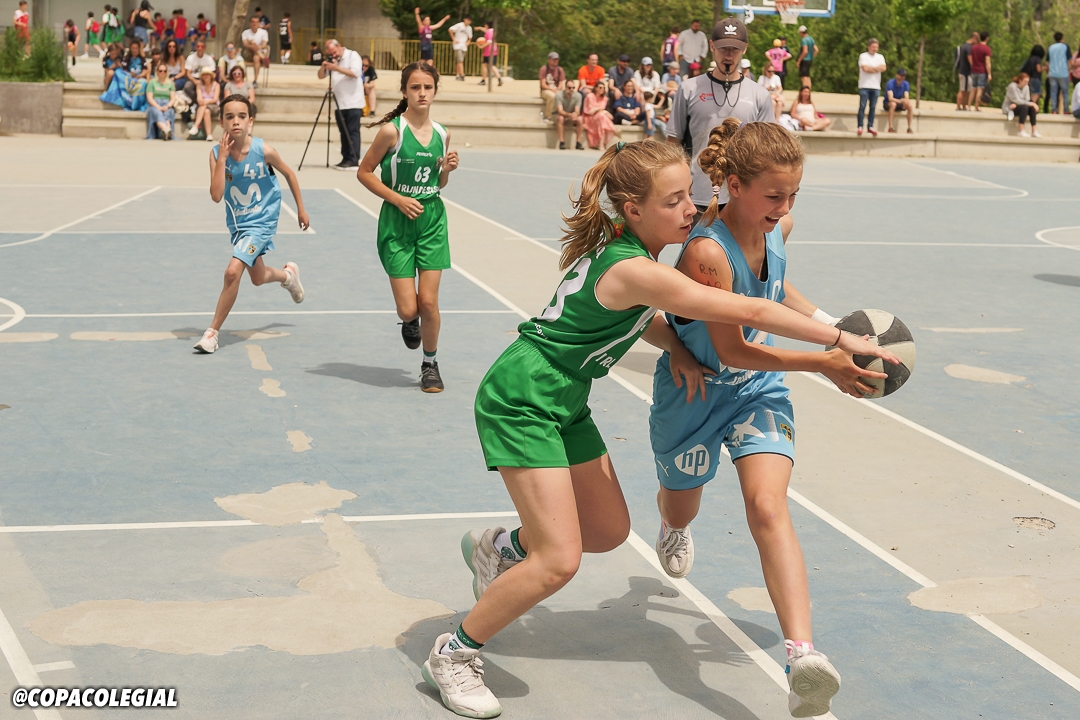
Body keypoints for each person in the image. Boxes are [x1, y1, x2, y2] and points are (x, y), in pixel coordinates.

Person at [443, 140, 898, 720]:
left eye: (690, 194)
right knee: (560, 560)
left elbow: (636, 312)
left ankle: (501, 548)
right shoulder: (636, 266)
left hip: (564, 397)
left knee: (607, 531)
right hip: (523, 397)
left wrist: (677, 346)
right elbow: (749, 311)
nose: (691, 209)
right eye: (674, 200)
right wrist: (837, 340)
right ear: (634, 209)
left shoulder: (636, 252)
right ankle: (456, 653)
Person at [648, 118, 876, 719]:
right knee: (682, 505)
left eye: (794, 194)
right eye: (774, 195)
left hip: (758, 392)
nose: (785, 208)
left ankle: (803, 657)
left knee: (768, 507)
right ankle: (672, 523)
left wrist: (831, 322)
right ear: (734, 185)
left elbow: (775, 286)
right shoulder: (706, 253)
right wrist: (824, 360)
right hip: (696, 393)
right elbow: (732, 349)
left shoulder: (779, 228)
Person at [358, 62, 459, 393]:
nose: (422, 93)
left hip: (431, 220)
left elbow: (438, 183)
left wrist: (446, 171)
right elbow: (364, 172)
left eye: (428, 87)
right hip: (397, 222)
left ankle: (430, 364)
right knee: (408, 308)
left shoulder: (442, 134)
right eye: (415, 87)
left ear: (435, 90)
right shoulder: (392, 132)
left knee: (428, 302)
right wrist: (397, 199)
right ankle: (409, 320)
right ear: (404, 91)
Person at [194, 95, 309, 355]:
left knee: (232, 272)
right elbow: (216, 195)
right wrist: (222, 159)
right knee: (258, 278)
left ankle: (212, 333)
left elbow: (289, 174)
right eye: (230, 117)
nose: (236, 121)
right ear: (221, 122)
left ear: (251, 121)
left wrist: (301, 209)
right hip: (239, 224)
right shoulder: (216, 154)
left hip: (263, 220)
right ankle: (288, 276)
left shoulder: (263, 150)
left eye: (241, 116)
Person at [667, 17, 774, 213]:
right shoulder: (688, 89)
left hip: (743, 197)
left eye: (735, 49)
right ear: (712, 46)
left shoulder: (760, 94)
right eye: (723, 48)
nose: (728, 55)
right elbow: (673, 142)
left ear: (745, 48)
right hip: (696, 196)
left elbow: (767, 151)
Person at [318, 39, 364, 170]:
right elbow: (320, 76)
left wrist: (336, 68)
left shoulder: (352, 55)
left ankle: (354, 159)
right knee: (343, 132)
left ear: (339, 46)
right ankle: (345, 158)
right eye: (331, 53)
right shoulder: (334, 61)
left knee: (352, 131)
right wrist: (324, 66)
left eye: (334, 52)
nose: (334, 55)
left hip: (353, 102)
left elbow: (355, 73)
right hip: (339, 103)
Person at [856, 38, 886, 135]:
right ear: (869, 47)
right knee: (862, 106)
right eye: (873, 47)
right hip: (864, 85)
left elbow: (883, 68)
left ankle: (870, 126)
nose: (875, 49)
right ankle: (860, 126)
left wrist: (871, 69)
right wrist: (876, 69)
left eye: (876, 47)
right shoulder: (863, 56)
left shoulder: (880, 57)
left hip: (875, 86)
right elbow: (865, 68)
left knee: (873, 107)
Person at [146, 63, 177, 139]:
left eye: (164, 71)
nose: (162, 72)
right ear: (157, 72)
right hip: (155, 104)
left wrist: (168, 106)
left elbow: (173, 98)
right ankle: (166, 129)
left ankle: (166, 131)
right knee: (156, 112)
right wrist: (158, 107)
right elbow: (150, 98)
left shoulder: (170, 83)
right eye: (160, 71)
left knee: (169, 111)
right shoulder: (152, 82)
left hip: (167, 103)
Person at [1003, 73, 1040, 137]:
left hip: (1018, 105)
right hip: (1010, 107)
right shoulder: (1012, 86)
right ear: (1020, 80)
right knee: (1024, 107)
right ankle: (1021, 130)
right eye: (1025, 81)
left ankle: (1034, 130)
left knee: (1031, 108)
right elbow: (1017, 100)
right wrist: (1032, 104)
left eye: (1027, 81)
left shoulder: (1026, 87)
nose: (1026, 83)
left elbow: (1027, 100)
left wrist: (1031, 104)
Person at [583, 80, 617, 149]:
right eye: (600, 87)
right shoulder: (590, 96)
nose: (602, 89)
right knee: (602, 116)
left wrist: (601, 111)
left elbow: (599, 110)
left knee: (601, 119)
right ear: (595, 88)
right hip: (589, 117)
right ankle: (614, 130)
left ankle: (601, 144)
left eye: (603, 88)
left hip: (600, 118)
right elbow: (591, 111)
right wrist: (604, 112)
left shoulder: (604, 98)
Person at [188, 67, 220, 141]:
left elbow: (215, 99)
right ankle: (209, 135)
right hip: (203, 107)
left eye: (207, 74)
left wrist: (206, 102)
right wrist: (202, 102)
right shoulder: (199, 85)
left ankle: (195, 126)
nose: (206, 76)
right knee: (206, 111)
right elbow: (199, 98)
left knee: (204, 107)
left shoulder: (216, 85)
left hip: (214, 106)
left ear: (211, 76)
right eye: (204, 75)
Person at [182, 40, 215, 104]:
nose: (200, 48)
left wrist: (205, 80)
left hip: (206, 78)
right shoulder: (190, 58)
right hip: (193, 78)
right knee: (187, 87)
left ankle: (205, 101)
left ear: (205, 48)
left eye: (202, 46)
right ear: (195, 47)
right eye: (198, 46)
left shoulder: (209, 59)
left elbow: (212, 73)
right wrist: (195, 81)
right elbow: (188, 73)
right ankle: (197, 102)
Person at [555, 79, 584, 150]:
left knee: (580, 119)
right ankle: (562, 142)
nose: (571, 89)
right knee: (561, 118)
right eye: (569, 88)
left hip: (571, 115)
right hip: (558, 115)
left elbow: (577, 110)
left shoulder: (578, 96)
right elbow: (560, 111)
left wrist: (574, 114)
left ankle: (578, 142)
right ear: (565, 87)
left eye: (573, 88)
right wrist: (570, 115)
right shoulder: (558, 95)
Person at [241, 15, 269, 87]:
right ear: (249, 23)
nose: (254, 24)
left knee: (256, 57)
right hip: (249, 53)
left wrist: (256, 47)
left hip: (259, 53)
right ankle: (263, 58)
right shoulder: (245, 32)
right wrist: (252, 45)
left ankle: (255, 80)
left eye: (256, 22)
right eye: (253, 22)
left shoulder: (263, 32)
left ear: (259, 23)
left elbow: (264, 45)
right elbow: (245, 44)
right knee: (252, 42)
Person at [1047, 33, 1071, 114]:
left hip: (1052, 73)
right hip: (1063, 73)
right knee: (1065, 92)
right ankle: (1066, 110)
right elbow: (1070, 60)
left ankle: (1054, 109)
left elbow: (1047, 62)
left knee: (1053, 92)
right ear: (1062, 38)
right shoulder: (1065, 46)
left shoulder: (1051, 47)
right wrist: (1069, 69)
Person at [884, 68, 913, 133]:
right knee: (893, 104)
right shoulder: (890, 83)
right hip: (888, 103)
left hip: (899, 102)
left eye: (903, 76)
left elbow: (906, 96)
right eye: (901, 75)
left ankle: (909, 127)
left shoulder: (905, 84)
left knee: (910, 106)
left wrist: (905, 101)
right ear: (897, 75)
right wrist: (901, 101)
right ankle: (890, 127)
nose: (902, 77)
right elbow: (890, 98)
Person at [539, 52, 566, 122]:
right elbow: (543, 85)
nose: (555, 61)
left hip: (556, 90)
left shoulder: (560, 70)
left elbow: (561, 84)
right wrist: (552, 90)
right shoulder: (544, 69)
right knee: (552, 96)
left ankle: (564, 115)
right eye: (553, 59)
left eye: (557, 59)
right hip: (546, 90)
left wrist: (557, 90)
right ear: (549, 60)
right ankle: (548, 116)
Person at [954, 31, 977, 110]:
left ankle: (963, 106)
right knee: (962, 90)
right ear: (974, 38)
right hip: (965, 72)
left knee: (966, 90)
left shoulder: (965, 46)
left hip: (964, 72)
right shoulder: (968, 47)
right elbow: (970, 60)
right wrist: (974, 68)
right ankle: (958, 106)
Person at [970, 31, 992, 112]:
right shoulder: (987, 49)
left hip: (974, 70)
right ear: (987, 38)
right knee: (980, 89)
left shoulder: (974, 47)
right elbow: (987, 62)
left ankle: (968, 105)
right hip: (982, 71)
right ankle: (976, 106)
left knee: (973, 89)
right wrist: (989, 73)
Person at [476, 20, 501, 86]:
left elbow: (489, 41)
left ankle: (483, 80)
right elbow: (485, 30)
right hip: (494, 50)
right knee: (492, 65)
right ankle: (499, 78)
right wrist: (479, 28)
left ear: (487, 25)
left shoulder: (489, 32)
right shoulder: (492, 31)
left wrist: (481, 46)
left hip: (488, 51)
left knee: (484, 65)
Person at [447, 15, 472, 80]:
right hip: (458, 45)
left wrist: (468, 42)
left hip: (464, 46)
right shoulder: (459, 25)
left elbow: (470, 37)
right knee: (460, 60)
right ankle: (462, 74)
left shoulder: (469, 28)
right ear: (464, 19)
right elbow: (450, 30)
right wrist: (454, 39)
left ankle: (457, 74)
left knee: (459, 61)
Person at [796, 25, 816, 90]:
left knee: (803, 76)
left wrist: (799, 60)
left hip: (804, 60)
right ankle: (809, 90)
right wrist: (812, 57)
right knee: (807, 76)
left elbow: (805, 51)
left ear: (801, 32)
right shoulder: (811, 38)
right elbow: (816, 49)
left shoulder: (804, 40)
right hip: (809, 60)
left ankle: (805, 90)